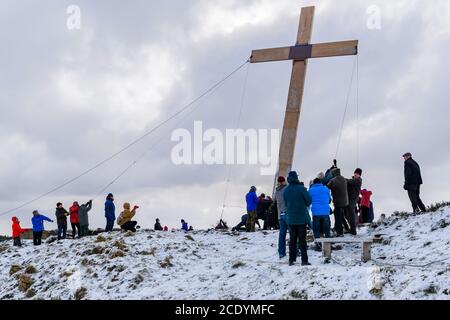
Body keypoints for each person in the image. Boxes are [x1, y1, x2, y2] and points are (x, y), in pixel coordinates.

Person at [283, 171, 312, 266]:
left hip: (290, 218)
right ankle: (304, 260)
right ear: (296, 178)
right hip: (301, 218)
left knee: (292, 239)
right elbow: (308, 201)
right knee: (302, 240)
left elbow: (286, 203)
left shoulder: (286, 190)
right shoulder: (302, 189)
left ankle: (291, 260)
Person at [309, 178, 332, 250]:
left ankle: (318, 245)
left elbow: (308, 201)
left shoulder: (310, 190)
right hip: (325, 211)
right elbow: (329, 200)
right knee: (327, 229)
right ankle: (328, 245)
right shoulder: (326, 188)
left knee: (316, 229)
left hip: (316, 212)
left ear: (314, 183)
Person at [327, 168, 349, 237]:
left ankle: (340, 232)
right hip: (345, 201)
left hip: (338, 201)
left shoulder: (333, 180)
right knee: (340, 214)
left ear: (333, 174)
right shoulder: (344, 179)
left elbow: (327, 187)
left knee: (337, 215)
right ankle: (346, 227)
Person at [345, 168, 363, 235]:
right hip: (348, 198)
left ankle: (353, 230)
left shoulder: (358, 180)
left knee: (351, 213)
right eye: (355, 173)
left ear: (359, 175)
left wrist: (342, 178)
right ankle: (351, 228)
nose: (355, 174)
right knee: (347, 213)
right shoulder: (353, 179)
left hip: (353, 199)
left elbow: (349, 181)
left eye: (357, 174)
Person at [274, 176, 288, 259]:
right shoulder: (286, 189)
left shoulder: (277, 190)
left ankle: (281, 252)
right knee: (293, 233)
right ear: (283, 181)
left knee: (282, 234)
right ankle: (296, 251)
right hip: (287, 213)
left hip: (280, 215)